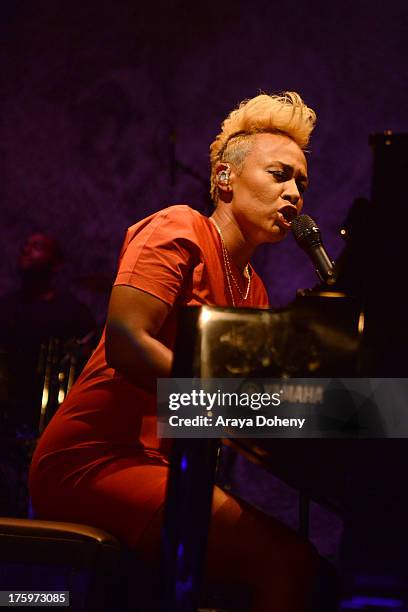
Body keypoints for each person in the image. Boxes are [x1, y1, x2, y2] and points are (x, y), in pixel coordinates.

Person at [29, 93, 331, 611]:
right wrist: (237, 406)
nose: (294, 193)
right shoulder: (179, 227)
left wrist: (323, 415)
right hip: (95, 460)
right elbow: (127, 343)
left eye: (301, 182)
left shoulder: (253, 291)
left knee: (314, 571)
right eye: (279, 174)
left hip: (168, 469)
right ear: (224, 178)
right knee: (287, 562)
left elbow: (244, 404)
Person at [0, 232, 96, 433]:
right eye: (26, 245)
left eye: (37, 247)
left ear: (56, 263)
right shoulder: (7, 307)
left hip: (51, 412)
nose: (27, 250)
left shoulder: (72, 311)